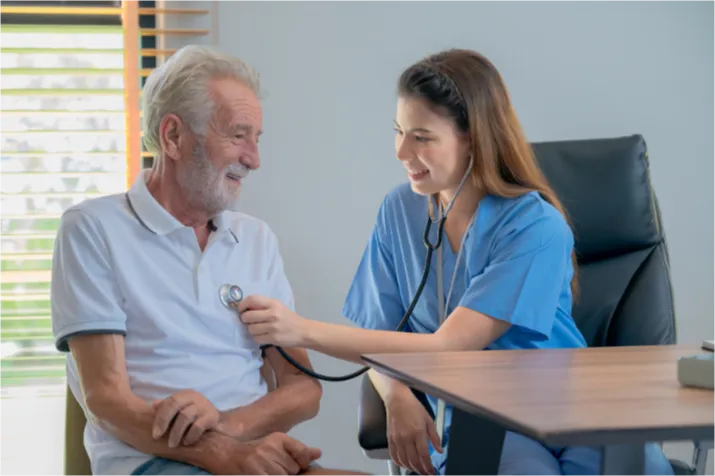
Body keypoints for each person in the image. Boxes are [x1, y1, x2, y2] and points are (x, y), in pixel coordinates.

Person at [234, 49, 676, 476]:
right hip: (478, 414)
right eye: (399, 131)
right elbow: (378, 336)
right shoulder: (399, 212)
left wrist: (300, 329)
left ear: (474, 139)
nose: (402, 152)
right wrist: (397, 395)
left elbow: (450, 346)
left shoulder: (536, 226)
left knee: (636, 469)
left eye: (422, 137)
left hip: (570, 407)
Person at [50, 45, 327, 476]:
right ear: (173, 137)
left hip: (248, 454)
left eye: (256, 138)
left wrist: (228, 428)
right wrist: (221, 453)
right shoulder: (92, 228)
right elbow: (107, 400)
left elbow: (303, 387)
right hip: (150, 461)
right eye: (238, 135)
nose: (253, 158)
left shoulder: (255, 239)